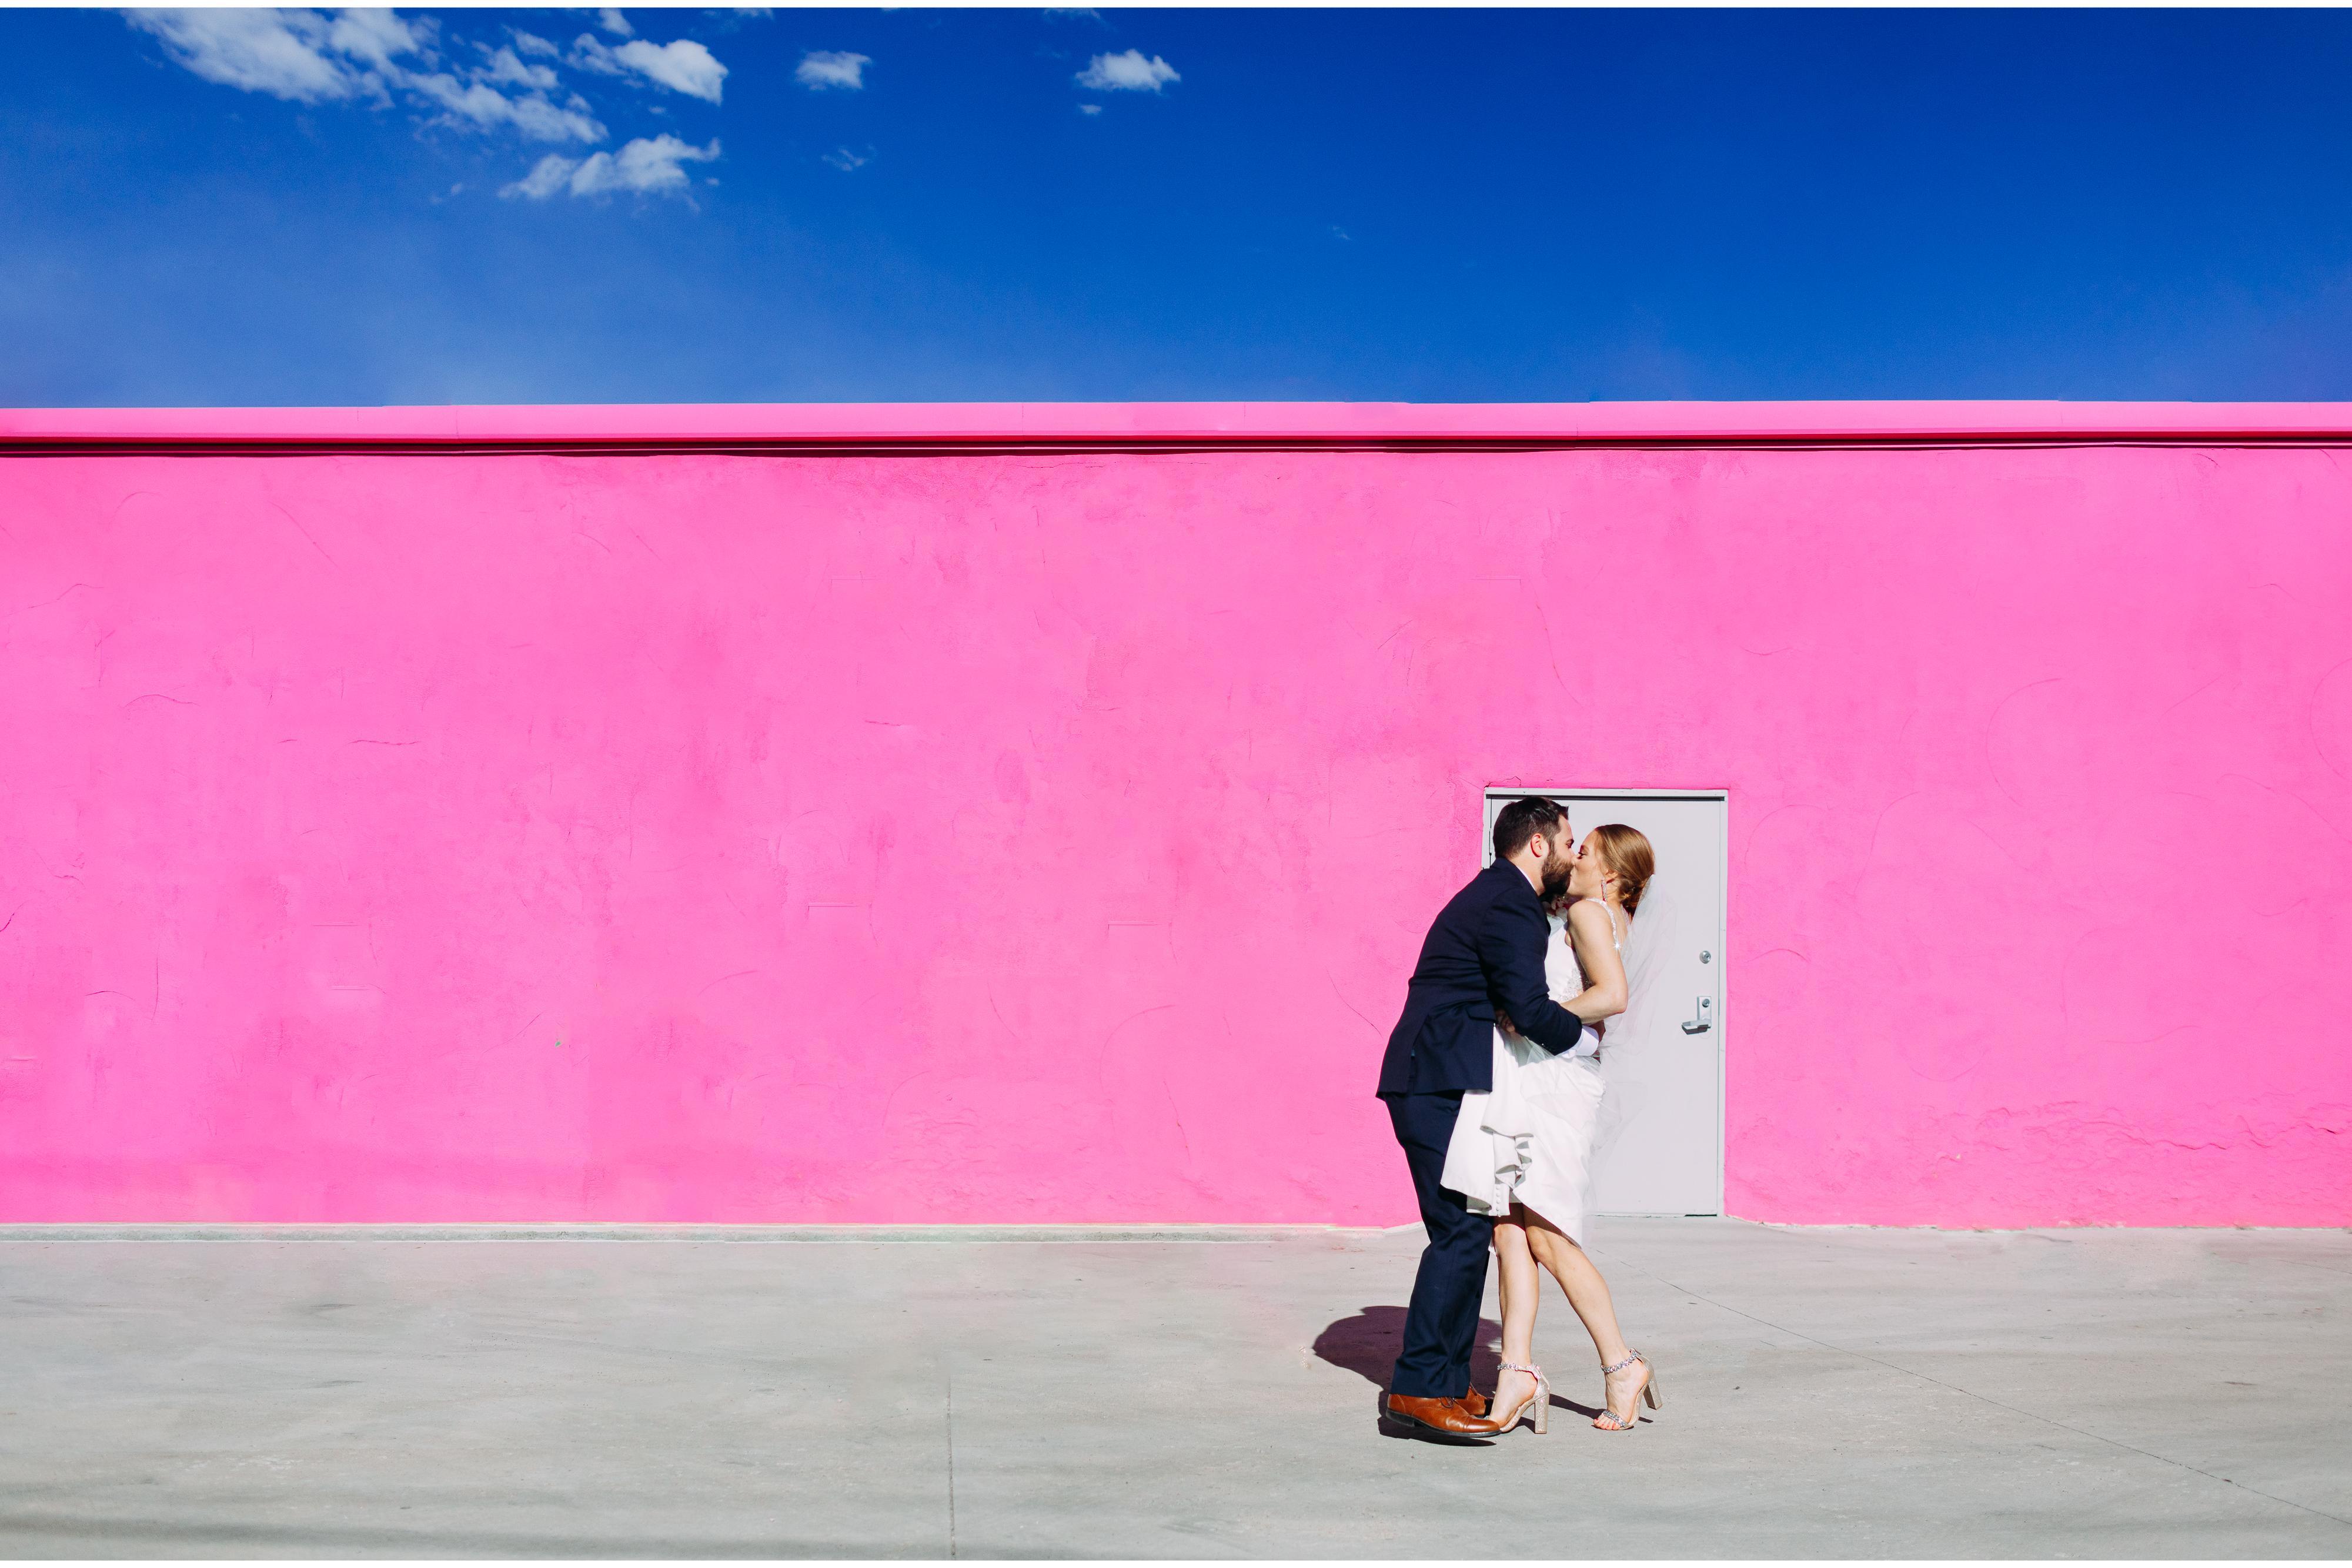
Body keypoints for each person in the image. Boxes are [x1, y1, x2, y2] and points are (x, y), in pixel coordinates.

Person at [1374, 797, 1619, 1440]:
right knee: (1457, 1229)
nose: (1571, 853)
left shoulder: (1498, 895)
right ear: (1538, 844)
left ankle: (1448, 1380)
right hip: (1435, 1079)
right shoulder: (1510, 903)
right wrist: (1589, 1041)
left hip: (1441, 1076)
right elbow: (1528, 1009)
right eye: (1566, 841)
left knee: (1468, 1227)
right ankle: (1418, 1389)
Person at [1441, 822, 1663, 1433]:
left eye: (1584, 851)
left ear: (1609, 873)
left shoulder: (1589, 912)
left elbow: (1611, 996)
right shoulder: (1599, 916)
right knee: (1509, 1229)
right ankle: (1515, 1370)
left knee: (1548, 1236)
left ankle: (1622, 1364)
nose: (1573, 856)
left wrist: (1535, 1015)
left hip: (1555, 1084)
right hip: (1536, 1078)